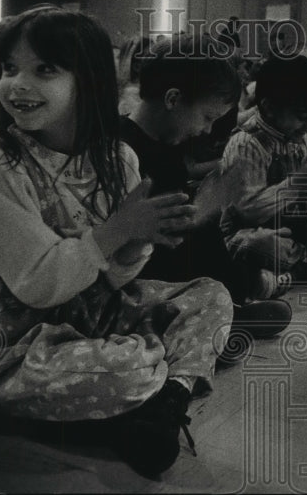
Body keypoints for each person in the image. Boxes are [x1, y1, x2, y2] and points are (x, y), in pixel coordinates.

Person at [0, 5, 233, 478]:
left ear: (91, 80)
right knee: (125, 369)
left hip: (94, 312)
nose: (16, 84)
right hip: (14, 337)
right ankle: (147, 388)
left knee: (210, 295)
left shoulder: (119, 158)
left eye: (45, 70)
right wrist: (117, 229)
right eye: (10, 68)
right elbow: (35, 285)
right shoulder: (0, 163)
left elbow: (117, 277)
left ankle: (166, 400)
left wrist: (138, 242)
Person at [120, 33, 292, 341]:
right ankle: (212, 322)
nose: (208, 129)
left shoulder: (167, 144)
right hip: (139, 281)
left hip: (181, 276)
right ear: (173, 99)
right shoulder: (123, 149)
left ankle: (233, 303)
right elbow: (140, 248)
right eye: (207, 117)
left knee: (216, 246)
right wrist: (203, 210)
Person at [220, 54, 307, 290]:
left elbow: (306, 196)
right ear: (268, 107)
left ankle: (298, 267)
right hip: (247, 230)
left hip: (288, 224)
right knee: (264, 246)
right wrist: (301, 182)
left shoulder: (298, 137)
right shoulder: (247, 144)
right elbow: (248, 212)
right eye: (302, 116)